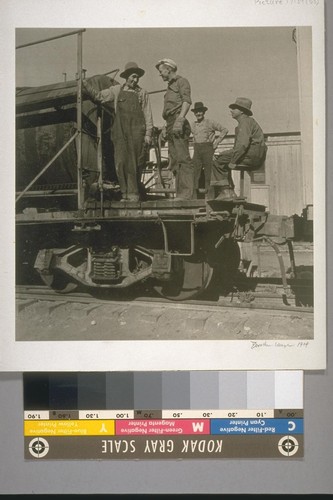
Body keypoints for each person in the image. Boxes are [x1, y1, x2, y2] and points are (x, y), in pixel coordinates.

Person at [83, 62, 153, 201]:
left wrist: (148, 134)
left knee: (135, 163)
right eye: (133, 76)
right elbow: (99, 97)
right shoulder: (116, 90)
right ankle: (125, 193)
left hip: (137, 132)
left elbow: (148, 114)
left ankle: (134, 194)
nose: (136, 80)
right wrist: (85, 84)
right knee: (121, 162)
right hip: (120, 132)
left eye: (138, 77)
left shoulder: (142, 93)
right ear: (126, 76)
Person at [211, 97, 267, 200]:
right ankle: (230, 192)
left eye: (234, 108)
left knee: (216, 162)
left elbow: (242, 145)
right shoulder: (248, 122)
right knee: (221, 158)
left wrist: (233, 160)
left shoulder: (245, 123)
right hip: (254, 155)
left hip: (251, 155)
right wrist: (223, 153)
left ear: (241, 111)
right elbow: (238, 147)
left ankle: (226, 191)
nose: (231, 111)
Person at [155, 58, 195, 200]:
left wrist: (180, 119)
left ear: (168, 69)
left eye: (161, 71)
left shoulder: (181, 81)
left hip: (178, 121)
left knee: (183, 159)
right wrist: (166, 126)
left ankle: (186, 194)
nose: (160, 74)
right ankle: (180, 193)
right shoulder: (169, 86)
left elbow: (186, 101)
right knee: (175, 160)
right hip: (170, 122)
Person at [190, 101, 228, 198]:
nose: (198, 114)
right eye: (196, 112)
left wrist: (216, 142)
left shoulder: (210, 122)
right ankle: (194, 197)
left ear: (204, 112)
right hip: (197, 150)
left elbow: (224, 130)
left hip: (208, 149)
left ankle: (209, 197)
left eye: (200, 111)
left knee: (209, 173)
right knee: (195, 172)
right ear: (194, 113)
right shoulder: (193, 125)